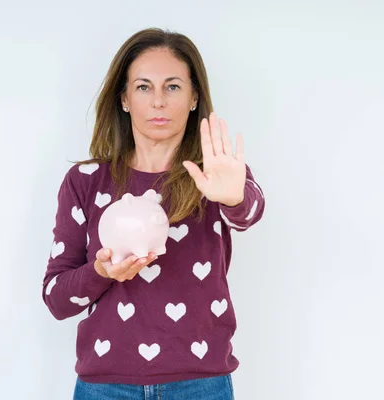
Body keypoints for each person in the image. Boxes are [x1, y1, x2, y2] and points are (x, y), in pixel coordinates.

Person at [41, 27, 265, 399]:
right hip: (105, 386)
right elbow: (56, 299)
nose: (158, 101)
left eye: (173, 86)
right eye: (144, 87)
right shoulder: (85, 181)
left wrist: (231, 197)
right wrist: (100, 272)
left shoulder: (216, 172)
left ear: (194, 97)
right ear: (124, 98)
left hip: (201, 383)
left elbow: (250, 212)